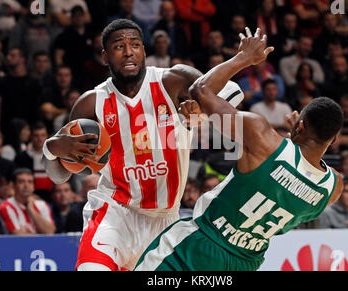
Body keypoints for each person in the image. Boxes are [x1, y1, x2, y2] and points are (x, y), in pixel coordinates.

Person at [135, 28, 344, 271]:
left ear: (301, 125)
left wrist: (244, 58)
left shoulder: (261, 138)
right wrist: (295, 140)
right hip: (244, 263)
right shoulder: (333, 188)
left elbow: (200, 91)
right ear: (335, 138)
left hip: (198, 247)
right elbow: (293, 178)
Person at [42, 19, 243, 271]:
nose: (129, 51)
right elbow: (60, 174)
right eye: (119, 46)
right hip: (115, 212)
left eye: (135, 44)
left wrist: (202, 113)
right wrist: (52, 148)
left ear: (144, 51)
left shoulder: (174, 80)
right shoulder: (91, 104)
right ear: (105, 56)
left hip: (166, 219)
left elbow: (234, 92)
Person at [0, 168, 55, 235]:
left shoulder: (42, 205)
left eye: (30, 182)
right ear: (13, 185)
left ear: (33, 186)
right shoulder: (6, 206)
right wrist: (42, 236)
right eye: (21, 182)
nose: (26, 185)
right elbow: (17, 235)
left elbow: (50, 232)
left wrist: (31, 210)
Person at [14, 122, 54, 202]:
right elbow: (18, 180)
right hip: (29, 197)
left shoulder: (55, 156)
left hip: (52, 197)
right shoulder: (22, 157)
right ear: (31, 137)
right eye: (36, 136)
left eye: (43, 135)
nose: (40, 139)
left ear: (47, 137)